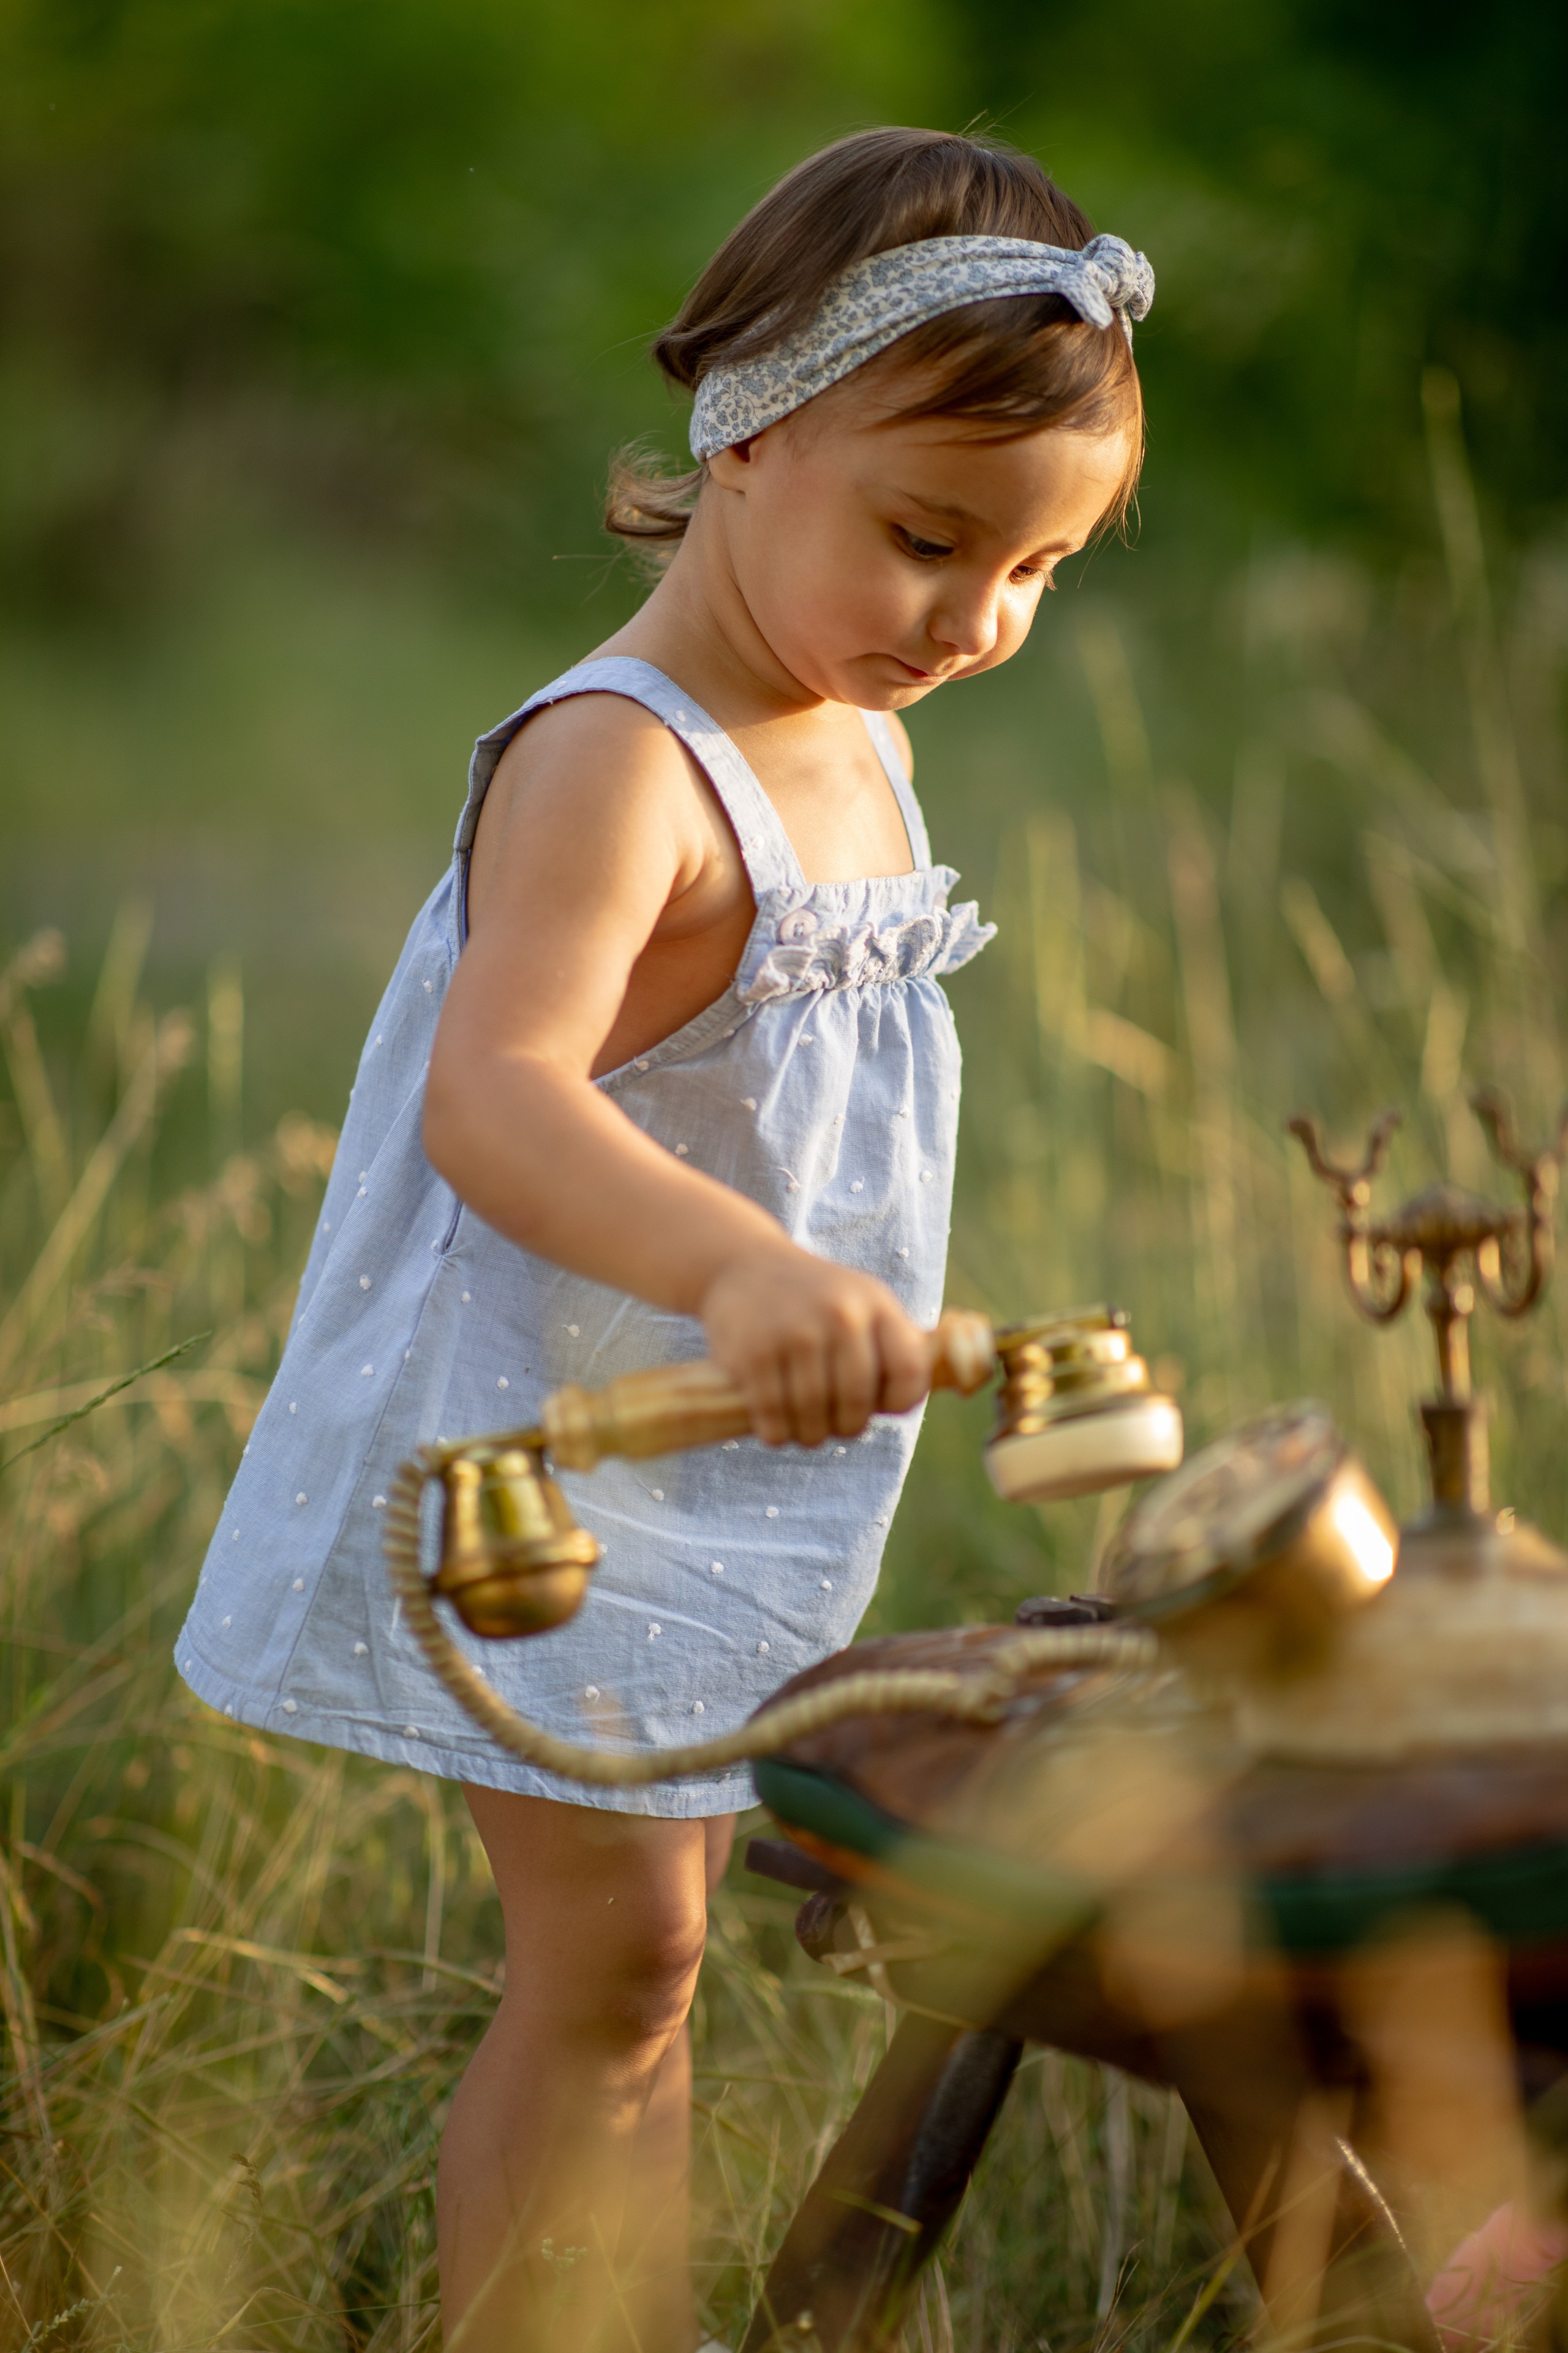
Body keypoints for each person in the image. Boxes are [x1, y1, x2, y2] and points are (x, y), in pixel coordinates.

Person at [175, 124, 1150, 2353]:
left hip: (721, 1445)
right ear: (747, 429)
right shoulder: (625, 761)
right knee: (613, 1959)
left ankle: (613, 2308)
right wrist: (737, 1266)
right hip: (540, 1434)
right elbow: (499, 1090)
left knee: (662, 1937)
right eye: (930, 541)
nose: (976, 621)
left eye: (1040, 573)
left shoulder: (853, 724)